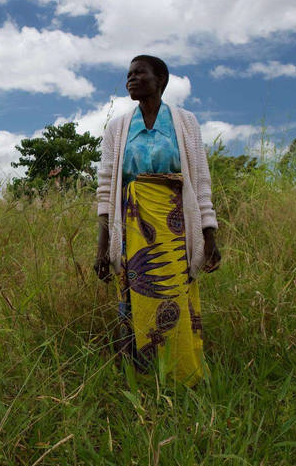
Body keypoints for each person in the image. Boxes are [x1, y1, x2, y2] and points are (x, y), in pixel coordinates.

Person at [94, 55, 220, 385]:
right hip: (133, 231)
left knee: (176, 298)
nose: (131, 80)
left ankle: (182, 378)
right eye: (128, 75)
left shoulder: (186, 122)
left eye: (139, 73)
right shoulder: (118, 128)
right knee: (137, 302)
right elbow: (107, 188)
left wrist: (209, 236)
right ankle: (143, 382)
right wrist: (103, 248)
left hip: (177, 231)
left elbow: (201, 181)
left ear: (160, 79)